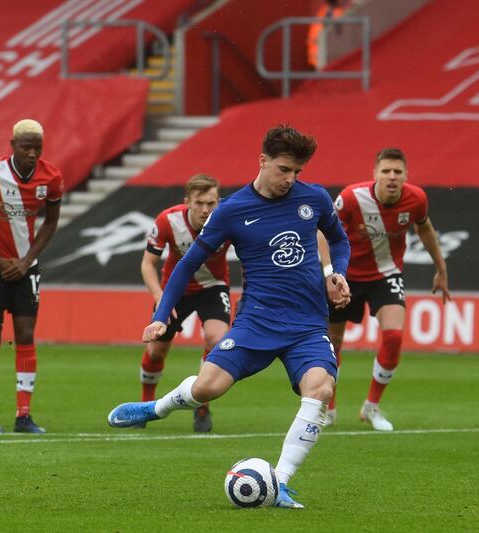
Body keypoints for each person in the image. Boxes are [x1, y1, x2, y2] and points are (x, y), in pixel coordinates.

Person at [107, 124, 352, 508]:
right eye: (284, 169)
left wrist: (337, 272)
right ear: (263, 161)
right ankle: (155, 409)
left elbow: (339, 239)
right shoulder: (233, 210)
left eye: (297, 172)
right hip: (256, 322)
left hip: (307, 325)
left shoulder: (315, 199)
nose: (290, 179)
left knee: (320, 390)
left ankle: (279, 482)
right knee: (208, 388)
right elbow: (187, 264)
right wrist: (160, 314)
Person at [319, 148, 451, 431]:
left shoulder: (416, 199)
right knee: (333, 343)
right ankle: (327, 408)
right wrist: (331, 273)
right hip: (347, 276)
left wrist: (441, 268)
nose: (392, 177)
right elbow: (323, 231)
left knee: (393, 336)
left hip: (386, 274)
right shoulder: (352, 198)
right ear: (375, 174)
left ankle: (371, 407)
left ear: (406, 175)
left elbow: (424, 228)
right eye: (386, 171)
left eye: (397, 172)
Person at [0, 119, 63, 434]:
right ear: (13, 145)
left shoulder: (52, 177)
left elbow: (50, 222)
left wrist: (26, 261)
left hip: (26, 267)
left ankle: (23, 415)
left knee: (24, 334)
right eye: (26, 147)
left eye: (38, 148)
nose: (32, 153)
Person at [138, 173, 231, 432]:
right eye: (199, 203)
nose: (205, 209)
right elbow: (148, 263)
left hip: (213, 286)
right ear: (187, 201)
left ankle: (202, 406)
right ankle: (145, 405)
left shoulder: (228, 219)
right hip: (173, 290)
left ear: (218, 202)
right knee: (157, 351)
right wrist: (159, 297)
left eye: (210, 203)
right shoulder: (168, 220)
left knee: (216, 339)